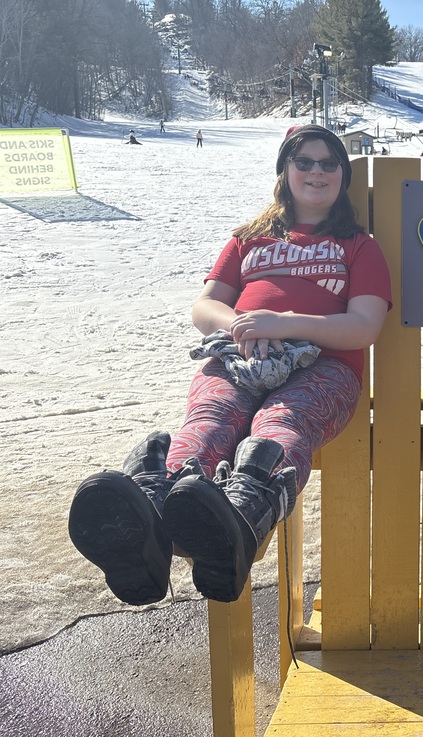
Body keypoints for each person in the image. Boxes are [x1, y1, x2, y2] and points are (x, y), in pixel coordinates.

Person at [68, 125, 392, 605]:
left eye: (329, 163)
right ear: (285, 170)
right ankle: (152, 526)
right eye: (304, 161)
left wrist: (281, 324)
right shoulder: (249, 239)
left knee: (282, 419)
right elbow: (205, 308)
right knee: (212, 415)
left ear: (343, 174)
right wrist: (244, 328)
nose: (317, 172)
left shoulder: (358, 247)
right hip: (241, 355)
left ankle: (240, 525)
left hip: (325, 368)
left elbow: (364, 327)